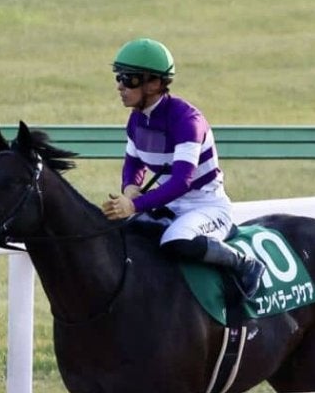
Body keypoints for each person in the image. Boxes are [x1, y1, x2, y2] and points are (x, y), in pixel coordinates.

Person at [101, 38, 266, 298]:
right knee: (119, 232)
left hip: (207, 207)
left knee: (176, 241)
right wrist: (130, 187)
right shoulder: (137, 120)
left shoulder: (187, 120)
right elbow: (133, 163)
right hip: (170, 206)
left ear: (154, 84)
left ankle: (244, 264)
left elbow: (182, 181)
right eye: (118, 77)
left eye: (128, 79)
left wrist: (134, 205)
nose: (120, 86)